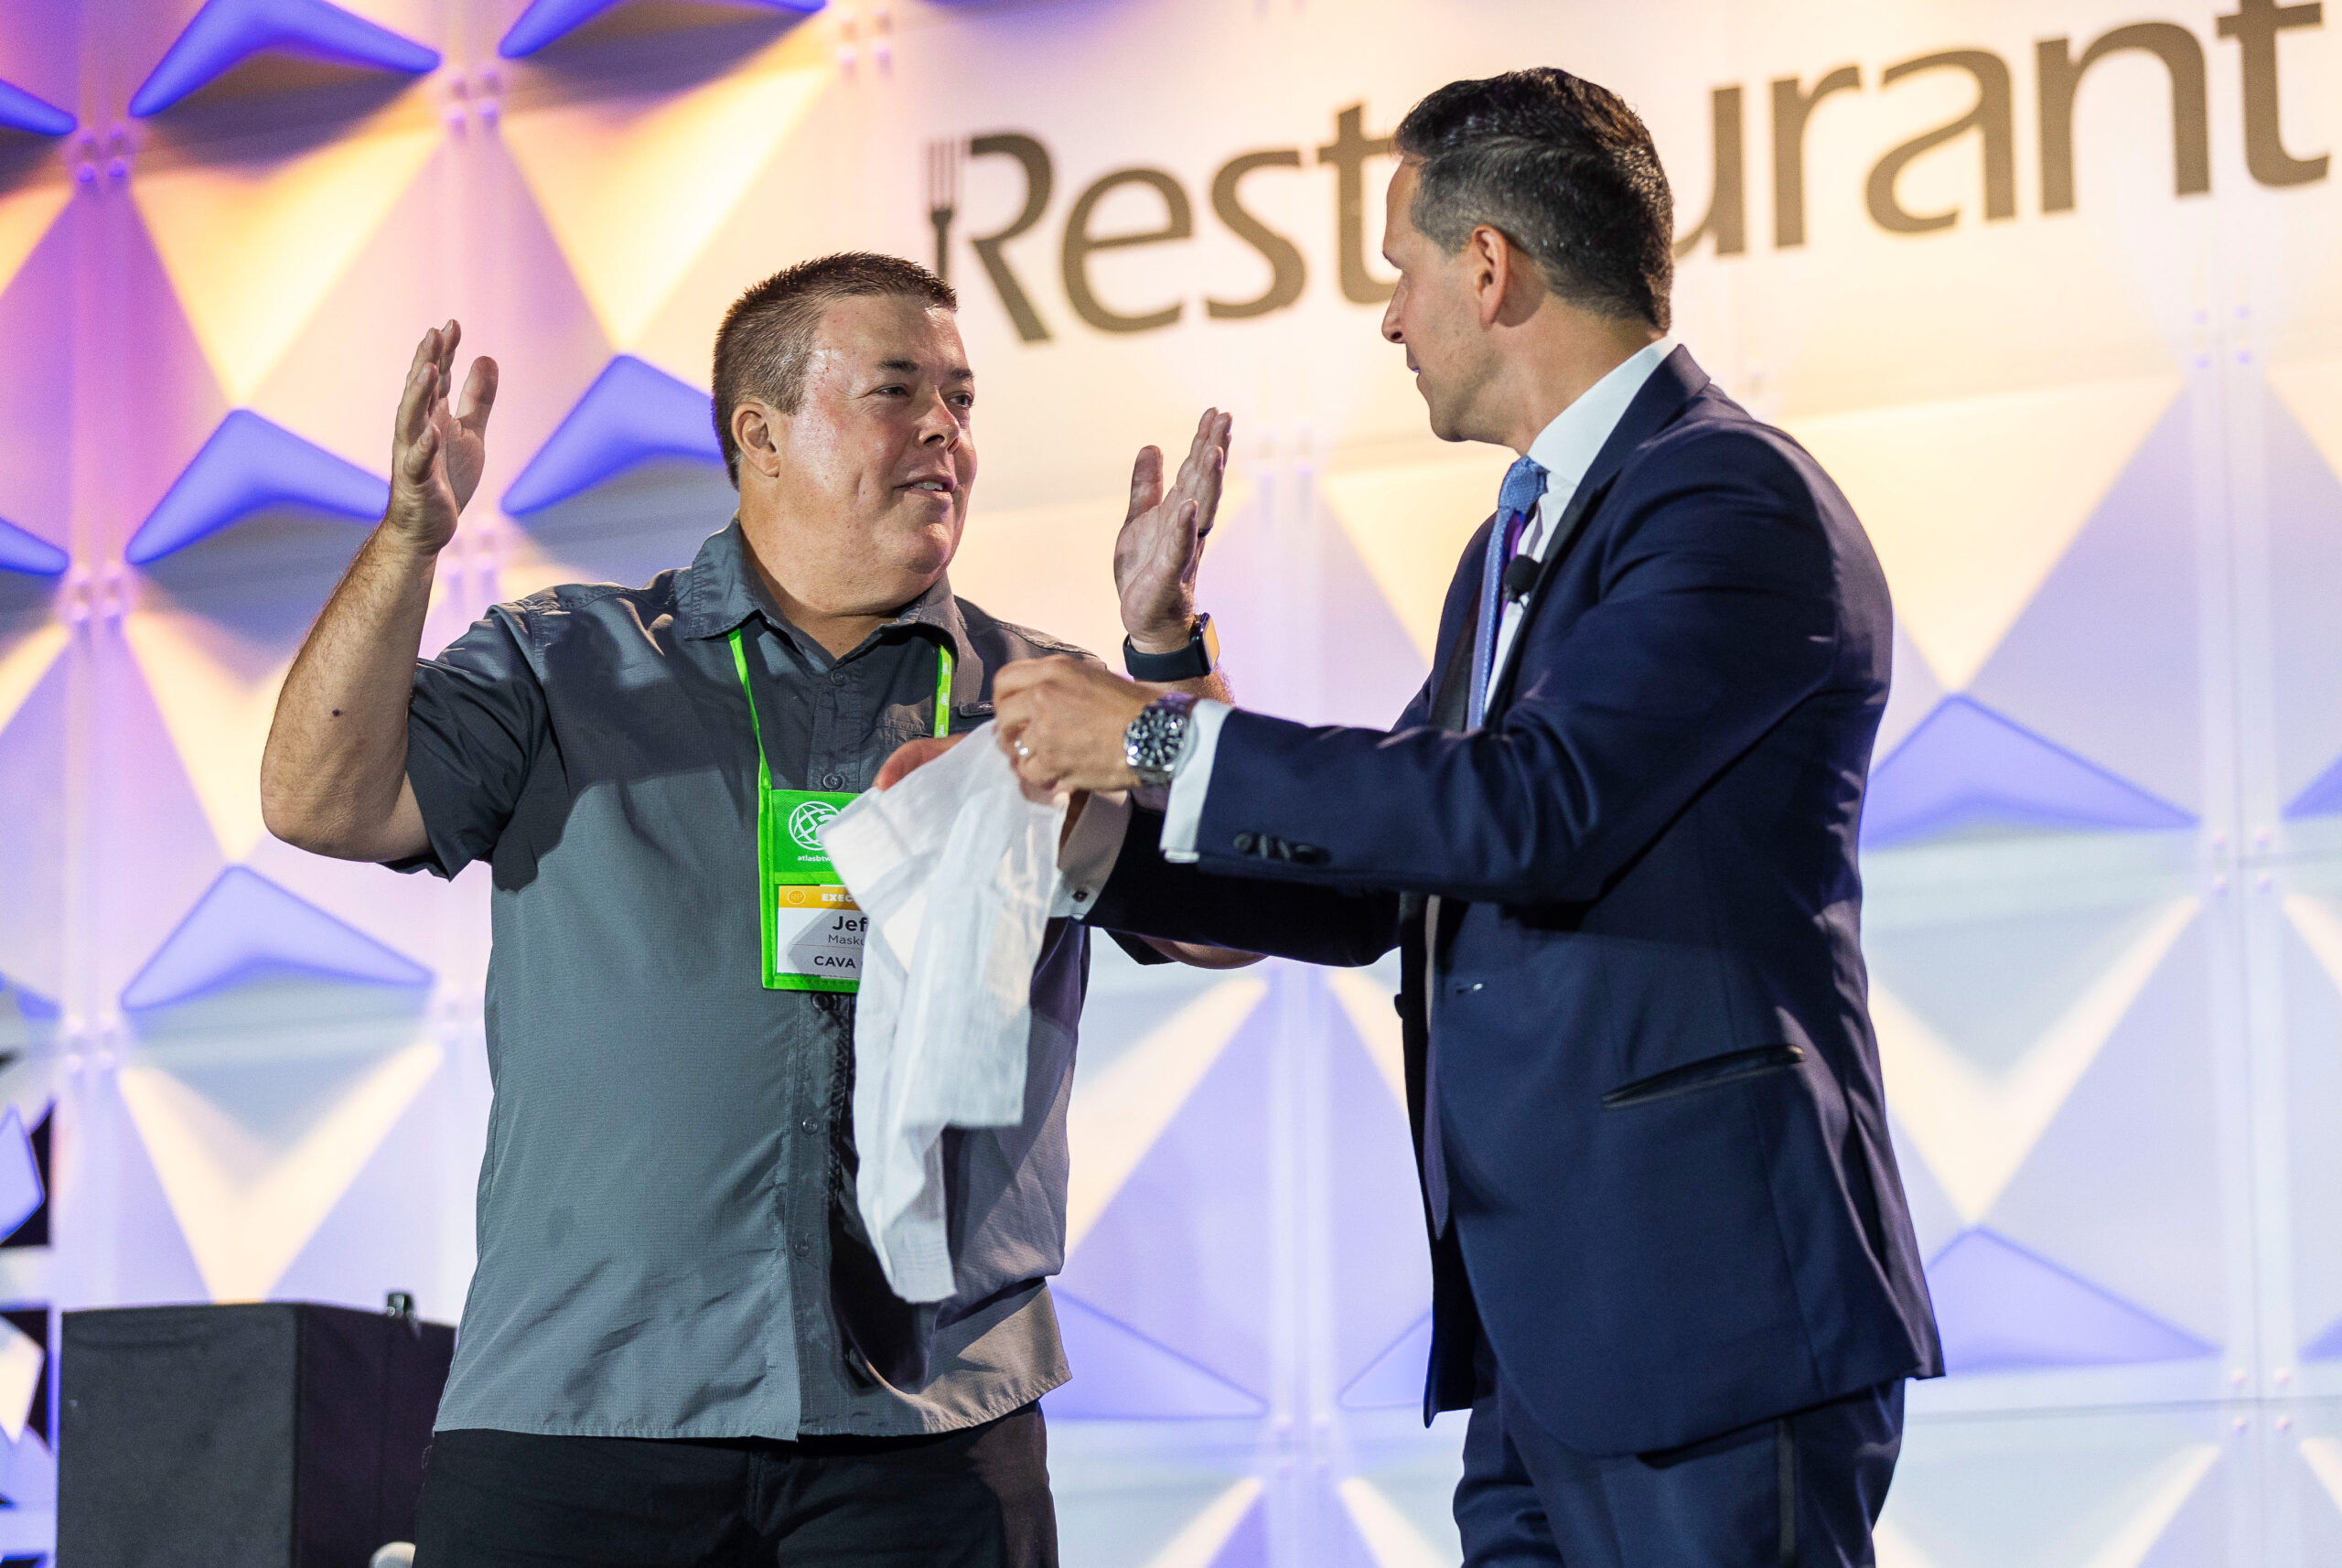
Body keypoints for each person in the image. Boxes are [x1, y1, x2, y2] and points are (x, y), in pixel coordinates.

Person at [936, 70, 1943, 1567]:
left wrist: (1149, 732)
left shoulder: (1729, 497)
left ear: (1489, 267)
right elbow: (1383, 878)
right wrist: (1064, 827)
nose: (1390, 319)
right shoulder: (1515, 539)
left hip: (1709, 1323)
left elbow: (1539, 806)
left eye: (1399, 272)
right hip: (1543, 1342)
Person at [258, 252, 1251, 1568]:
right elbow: (317, 801)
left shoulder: (1037, 693)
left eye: (961, 398)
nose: (945, 429)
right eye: (896, 391)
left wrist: (1168, 649)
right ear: (761, 434)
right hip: (588, 1406)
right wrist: (407, 543)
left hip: (930, 1421)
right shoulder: (566, 661)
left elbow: (1233, 913)